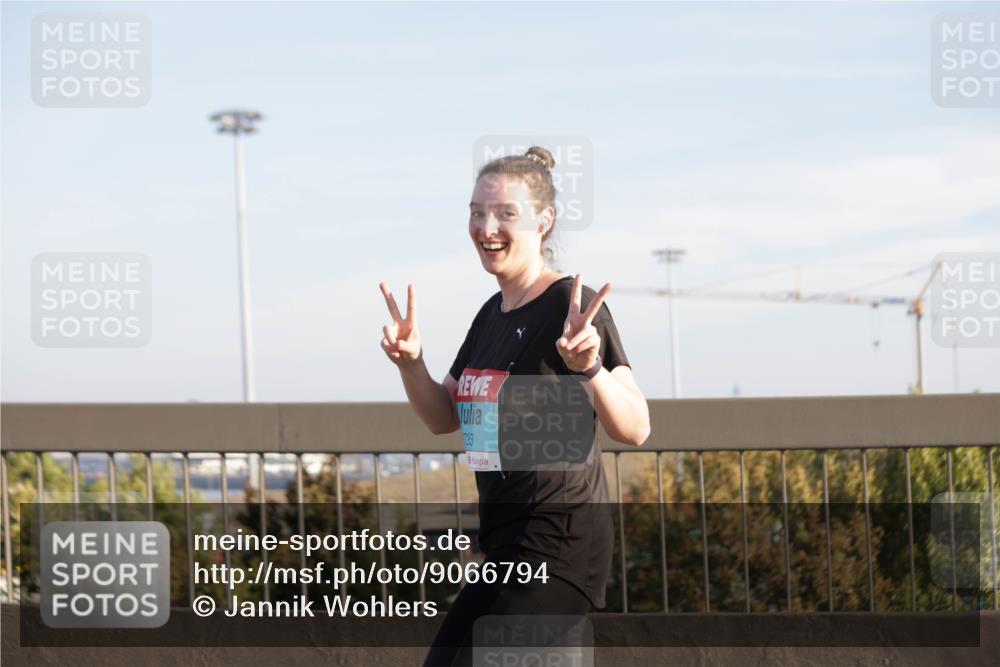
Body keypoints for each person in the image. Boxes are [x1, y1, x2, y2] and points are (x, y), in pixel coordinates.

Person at [378, 146, 650, 666]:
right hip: (505, 548)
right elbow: (443, 417)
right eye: (478, 212)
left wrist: (588, 367)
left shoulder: (571, 305)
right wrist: (410, 363)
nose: (487, 227)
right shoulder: (490, 317)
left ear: (544, 220)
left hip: (559, 544)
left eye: (506, 213)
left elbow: (635, 428)